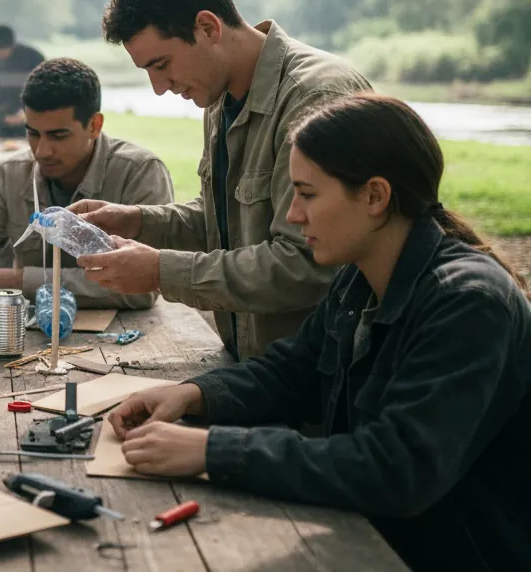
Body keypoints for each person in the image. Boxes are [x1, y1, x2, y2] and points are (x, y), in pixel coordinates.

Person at [106, 94, 530, 571]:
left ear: (374, 196)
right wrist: (191, 395)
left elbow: (396, 468)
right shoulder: (359, 274)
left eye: (307, 194)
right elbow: (294, 371)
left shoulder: (468, 303)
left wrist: (211, 449)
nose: (293, 215)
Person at [70, 0, 372, 360]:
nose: (160, 87)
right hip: (256, 369)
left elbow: (306, 264)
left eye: (162, 64)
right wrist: (138, 221)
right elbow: (228, 223)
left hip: (322, 384)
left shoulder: (314, 98)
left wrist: (161, 271)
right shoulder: (219, 94)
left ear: (208, 27)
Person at [0, 58, 174, 310]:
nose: (42, 151)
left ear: (94, 126)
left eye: (58, 136)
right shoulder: (12, 174)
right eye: (33, 133)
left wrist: (27, 281)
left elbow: (144, 287)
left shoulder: (140, 173)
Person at [0, 24, 45, 140]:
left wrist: (27, 113)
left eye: (1, 49)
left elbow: (44, 92)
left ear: (12, 45)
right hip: (3, 120)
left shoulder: (34, 58)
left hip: (31, 122)